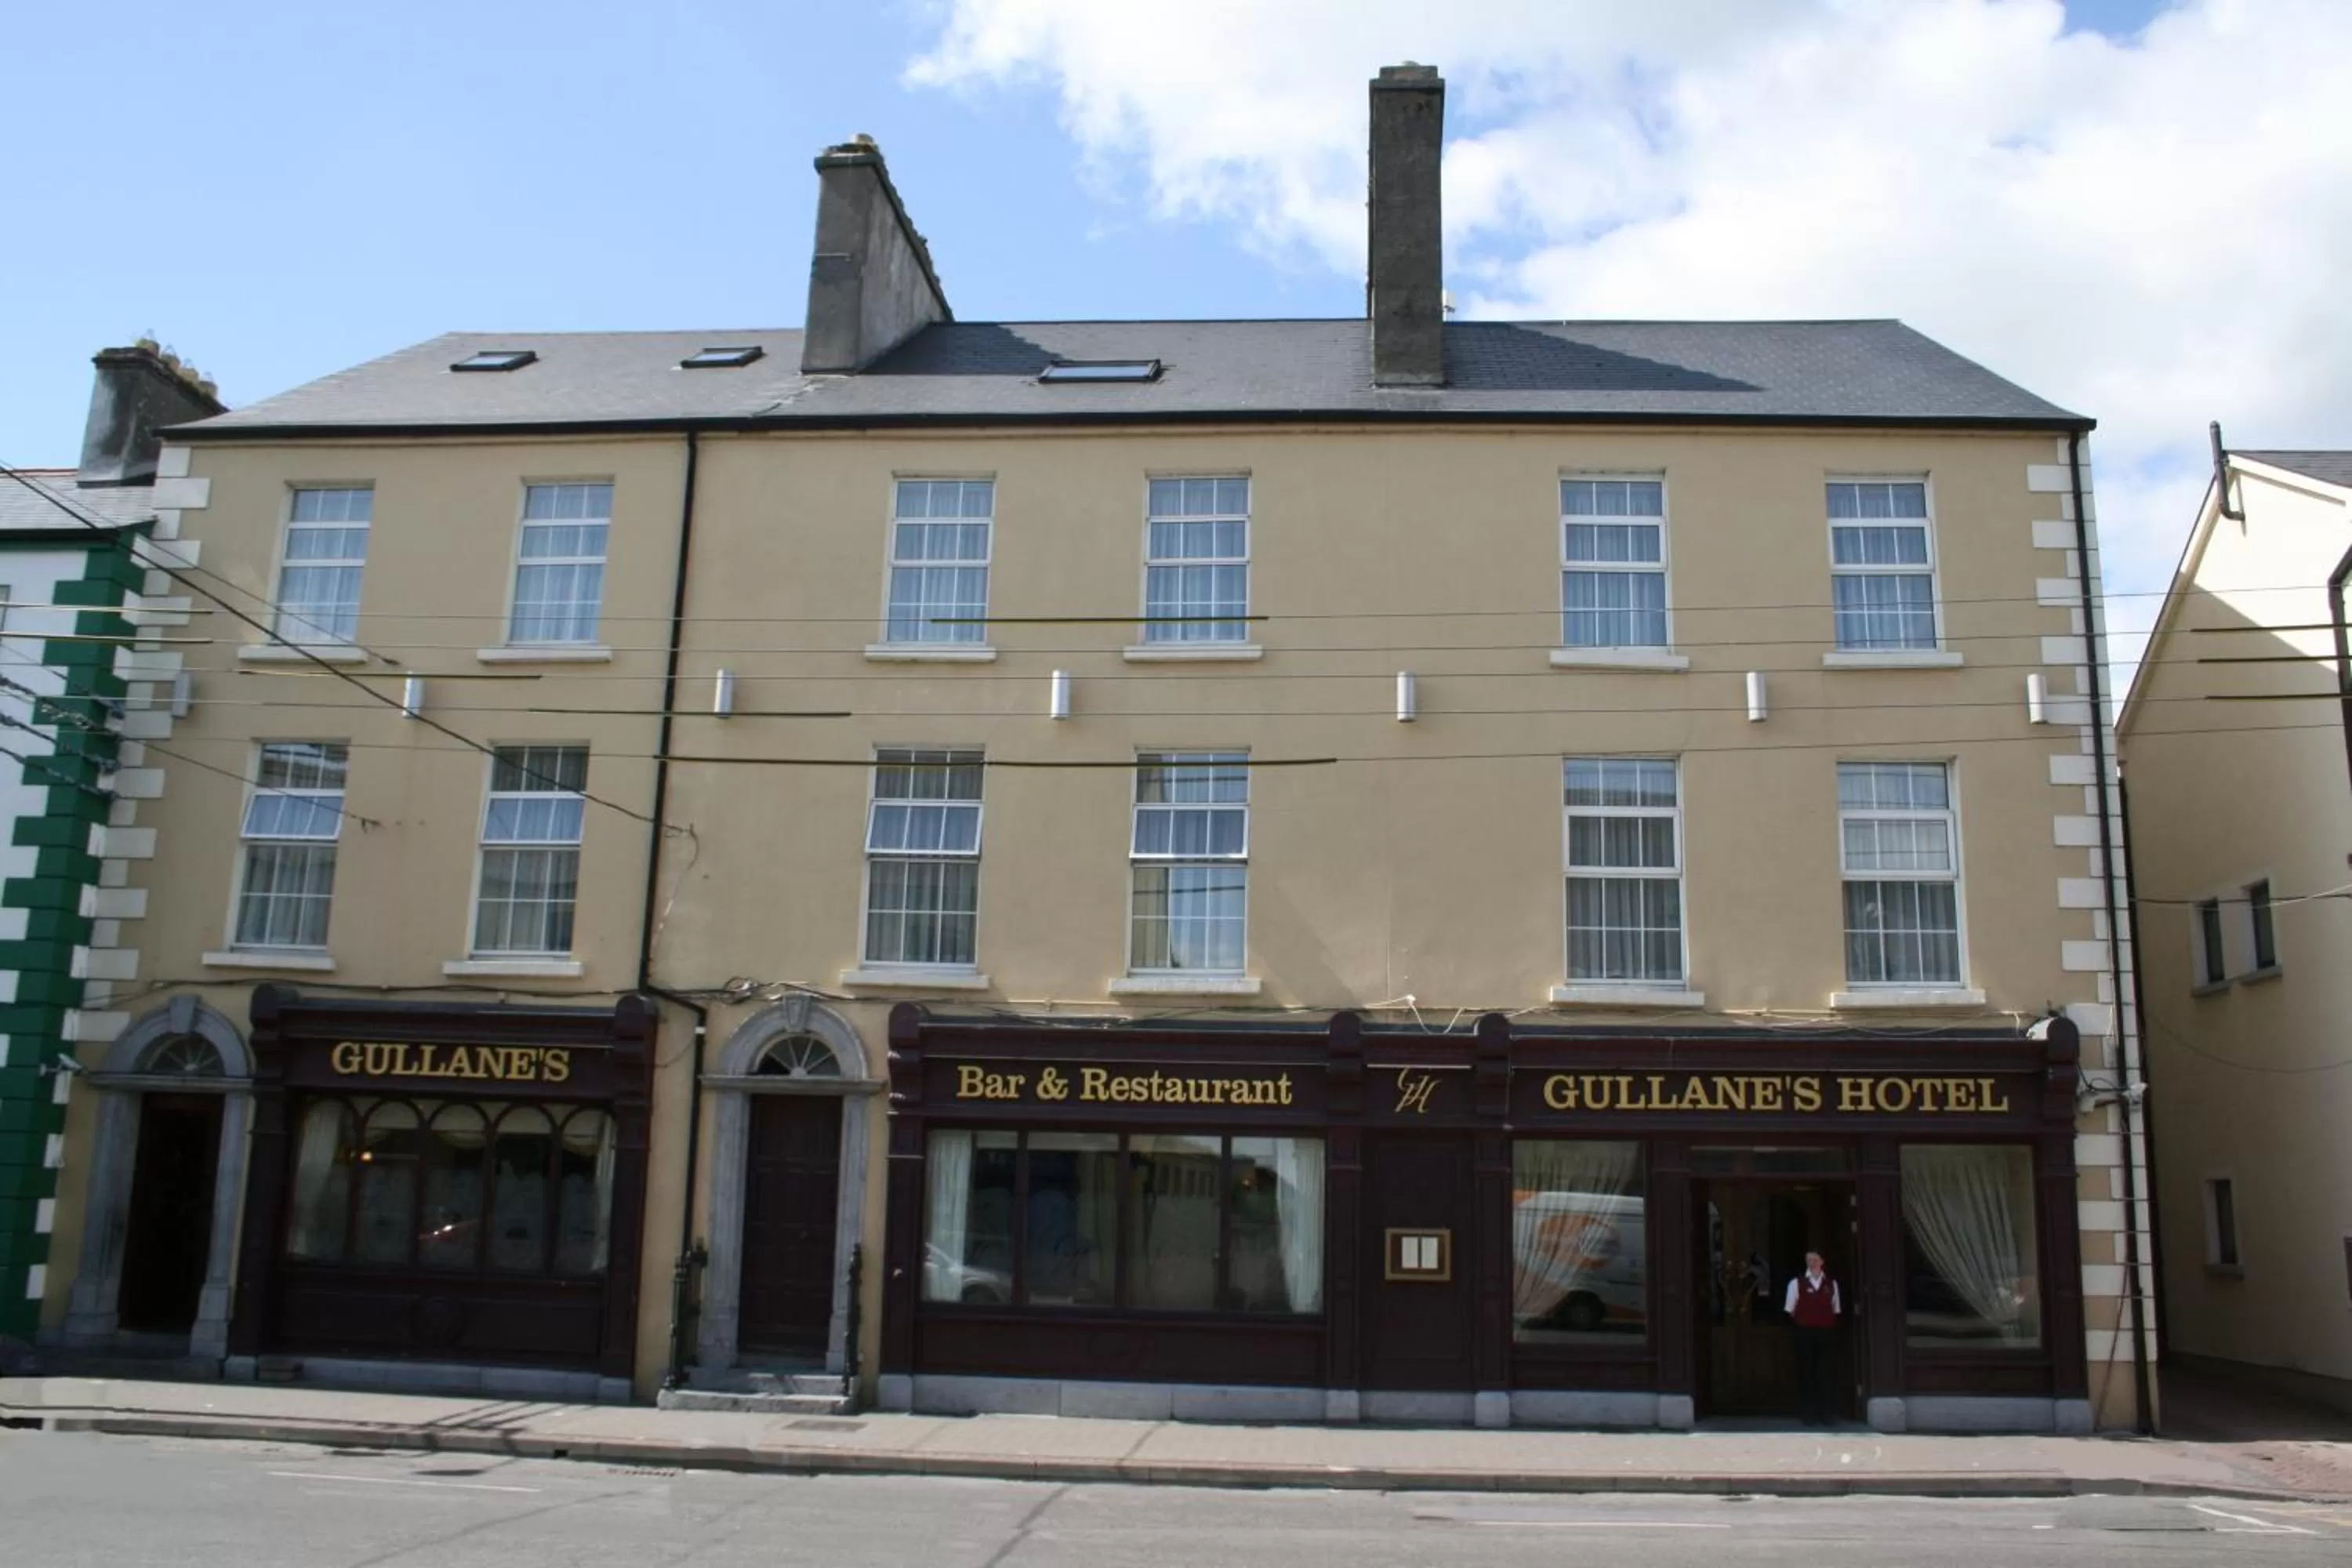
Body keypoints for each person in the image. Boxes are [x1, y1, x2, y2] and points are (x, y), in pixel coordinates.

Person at [1784, 1249, 1841, 1425]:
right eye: (1809, 1260)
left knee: (1824, 1372)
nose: (1812, 1263)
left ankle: (1826, 1413)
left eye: (1815, 1259)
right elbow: (1790, 1309)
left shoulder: (1831, 1284)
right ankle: (1808, 1414)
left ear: (1822, 1262)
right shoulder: (1796, 1283)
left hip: (1825, 1332)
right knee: (1806, 1372)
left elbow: (1835, 1308)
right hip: (1805, 1332)